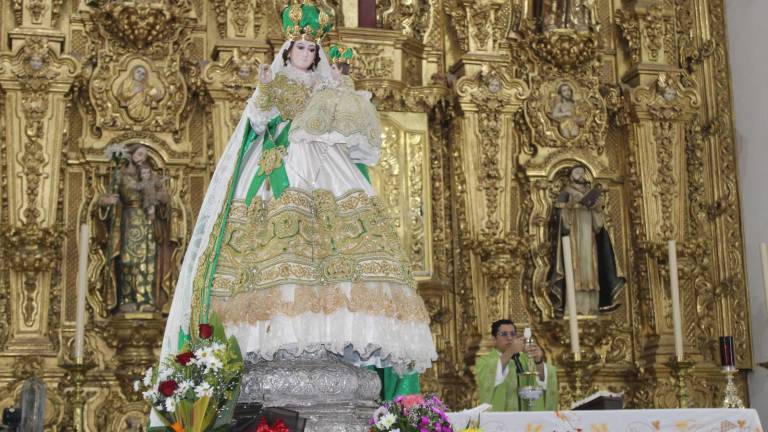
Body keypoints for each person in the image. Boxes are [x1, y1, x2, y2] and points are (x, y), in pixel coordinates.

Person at [153, 2, 436, 422]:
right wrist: (264, 90)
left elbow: (352, 128)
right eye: (300, 47)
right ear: (288, 50)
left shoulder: (326, 85)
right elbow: (258, 121)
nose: (305, 53)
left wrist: (341, 91)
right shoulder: (277, 80)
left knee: (335, 246)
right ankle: (279, 338)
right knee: (277, 250)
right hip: (280, 166)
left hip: (325, 166)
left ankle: (329, 336)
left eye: (311, 49)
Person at [98, 144, 173, 314]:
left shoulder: (151, 176)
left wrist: (160, 198)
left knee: (147, 260)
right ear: (130, 155)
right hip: (128, 221)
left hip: (148, 222)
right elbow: (105, 198)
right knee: (128, 260)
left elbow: (165, 197)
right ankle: (127, 299)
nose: (142, 158)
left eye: (145, 156)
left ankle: (146, 299)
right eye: (139, 154)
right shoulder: (120, 176)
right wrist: (107, 201)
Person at [547, 165, 625, 315]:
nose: (580, 175)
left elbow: (599, 225)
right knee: (574, 270)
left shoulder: (591, 193)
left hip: (589, 238)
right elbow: (560, 221)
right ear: (571, 175)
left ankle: (591, 306)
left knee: (591, 271)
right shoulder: (565, 193)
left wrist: (597, 209)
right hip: (573, 237)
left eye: (582, 172)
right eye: (577, 172)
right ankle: (574, 307)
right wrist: (569, 207)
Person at [474, 319, 559, 411]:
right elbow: (487, 384)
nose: (509, 338)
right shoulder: (484, 362)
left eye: (512, 334)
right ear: (494, 339)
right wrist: (510, 351)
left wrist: (538, 361)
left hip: (526, 417)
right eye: (504, 334)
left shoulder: (526, 359)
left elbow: (542, 381)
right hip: (499, 417)